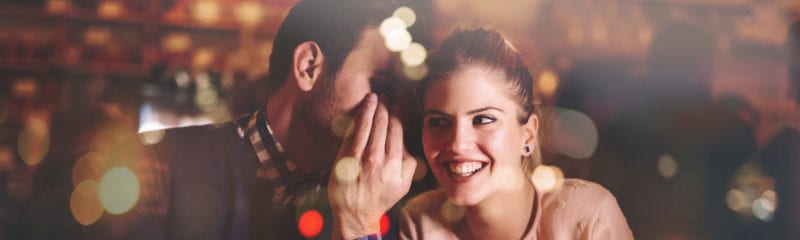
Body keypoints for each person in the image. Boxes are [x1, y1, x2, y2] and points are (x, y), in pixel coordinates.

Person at [87, 0, 420, 239]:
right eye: (381, 87)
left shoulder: (381, 206)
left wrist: (359, 225)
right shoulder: (154, 166)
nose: (395, 114)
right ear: (308, 67)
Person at [399, 29, 633, 239]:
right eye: (439, 122)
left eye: (483, 119)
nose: (458, 144)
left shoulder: (587, 216)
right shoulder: (420, 222)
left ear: (528, 135)